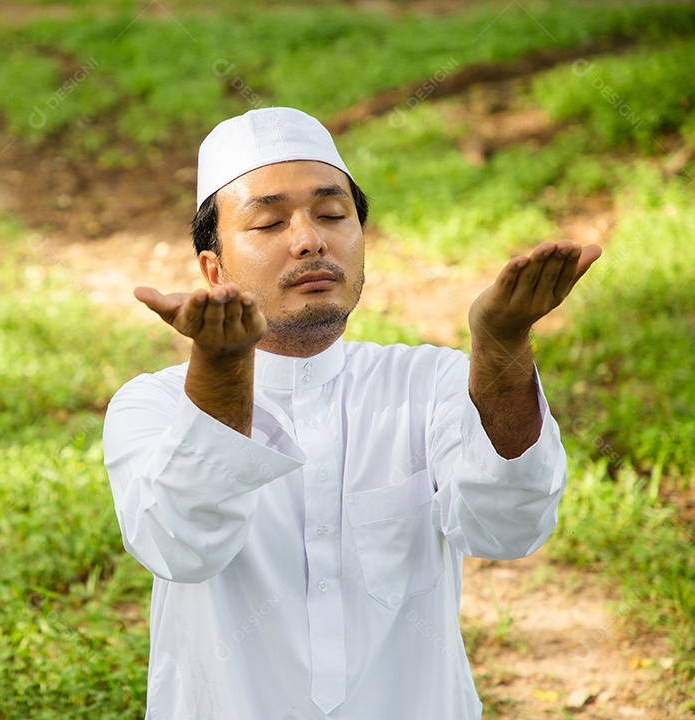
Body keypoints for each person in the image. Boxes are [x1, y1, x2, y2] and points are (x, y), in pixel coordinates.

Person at [102, 107, 601, 719]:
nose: (310, 238)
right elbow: (182, 545)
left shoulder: (430, 383)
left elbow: (509, 528)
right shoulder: (151, 405)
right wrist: (223, 364)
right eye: (268, 222)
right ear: (213, 270)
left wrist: (501, 347)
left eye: (333, 214)